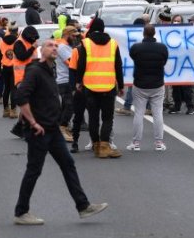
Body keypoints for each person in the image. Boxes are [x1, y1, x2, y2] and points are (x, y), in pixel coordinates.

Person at [13, 39, 109, 226]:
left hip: (52, 129)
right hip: (39, 131)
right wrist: (33, 122)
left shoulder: (51, 69)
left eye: (56, 46)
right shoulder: (35, 71)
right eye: (50, 45)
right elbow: (20, 96)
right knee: (34, 170)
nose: (55, 48)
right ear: (41, 50)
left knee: (68, 164)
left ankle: (83, 206)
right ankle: (21, 212)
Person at [76, 18, 124, 159]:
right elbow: (118, 66)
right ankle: (104, 145)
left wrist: (78, 81)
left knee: (93, 117)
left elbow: (81, 64)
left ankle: (96, 145)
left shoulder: (86, 43)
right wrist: (120, 85)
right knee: (108, 118)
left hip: (90, 86)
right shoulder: (113, 44)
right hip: (108, 86)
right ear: (103, 29)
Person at [126, 24, 169, 152]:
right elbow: (164, 61)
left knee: (138, 113)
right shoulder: (162, 48)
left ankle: (136, 143)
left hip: (140, 83)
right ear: (154, 33)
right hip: (157, 83)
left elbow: (133, 58)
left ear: (143, 33)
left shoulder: (136, 48)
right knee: (158, 113)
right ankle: (159, 142)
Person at [55, 26, 80, 143]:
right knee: (69, 105)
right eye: (73, 36)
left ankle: (61, 126)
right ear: (67, 35)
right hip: (64, 80)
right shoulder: (62, 47)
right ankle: (62, 127)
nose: (75, 38)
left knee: (66, 105)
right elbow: (71, 62)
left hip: (68, 80)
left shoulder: (68, 47)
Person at [0, 22, 19, 118]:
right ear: (17, 31)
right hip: (15, 68)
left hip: (5, 67)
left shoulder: (1, 43)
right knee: (14, 89)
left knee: (6, 89)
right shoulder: (18, 42)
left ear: (8, 31)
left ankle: (6, 110)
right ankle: (13, 110)